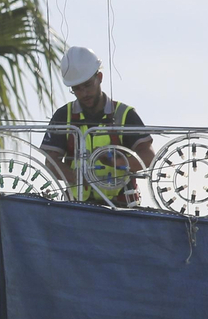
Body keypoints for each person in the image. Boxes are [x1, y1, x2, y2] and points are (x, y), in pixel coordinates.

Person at [42, 45, 155, 205]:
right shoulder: (63, 116)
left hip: (121, 207)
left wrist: (117, 162)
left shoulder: (124, 114)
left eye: (88, 85)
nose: (84, 93)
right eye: (77, 89)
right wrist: (77, 178)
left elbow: (148, 157)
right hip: (77, 206)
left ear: (99, 77)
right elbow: (50, 162)